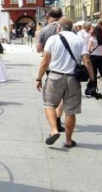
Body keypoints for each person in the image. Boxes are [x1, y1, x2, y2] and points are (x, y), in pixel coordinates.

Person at [36, 17, 93, 148]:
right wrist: (92, 79)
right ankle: (68, 140)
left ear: (59, 28)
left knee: (49, 104)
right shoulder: (79, 39)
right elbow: (87, 60)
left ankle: (54, 130)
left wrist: (38, 78)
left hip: (55, 76)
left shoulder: (52, 39)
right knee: (70, 111)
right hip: (73, 78)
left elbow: (45, 62)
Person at [36, 7, 65, 131]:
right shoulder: (69, 28)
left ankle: (54, 123)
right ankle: (58, 117)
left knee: (52, 96)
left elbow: (38, 49)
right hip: (66, 64)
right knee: (64, 95)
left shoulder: (44, 30)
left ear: (48, 15)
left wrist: (38, 78)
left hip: (51, 65)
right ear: (61, 15)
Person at [86, 23, 102, 95]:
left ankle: (94, 89)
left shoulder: (92, 39)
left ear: (94, 31)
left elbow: (88, 49)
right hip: (101, 58)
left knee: (94, 74)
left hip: (93, 57)